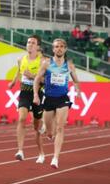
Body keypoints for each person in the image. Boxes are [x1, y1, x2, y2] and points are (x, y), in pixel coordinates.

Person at [33, 38, 80, 169]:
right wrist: (36, 95)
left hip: (62, 98)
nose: (59, 48)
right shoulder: (46, 63)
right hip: (48, 98)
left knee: (60, 127)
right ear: (53, 49)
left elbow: (76, 80)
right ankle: (48, 132)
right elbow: (37, 79)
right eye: (56, 46)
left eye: (61, 46)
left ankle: (55, 158)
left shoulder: (69, 65)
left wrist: (77, 89)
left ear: (65, 49)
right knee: (50, 132)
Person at [8, 35, 45, 163]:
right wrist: (13, 82)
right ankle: (20, 151)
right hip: (24, 92)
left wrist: (32, 76)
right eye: (28, 42)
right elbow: (19, 71)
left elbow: (44, 80)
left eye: (33, 43)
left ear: (38, 46)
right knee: (22, 118)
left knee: (37, 127)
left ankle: (41, 153)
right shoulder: (21, 59)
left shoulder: (42, 61)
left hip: (37, 94)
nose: (29, 44)